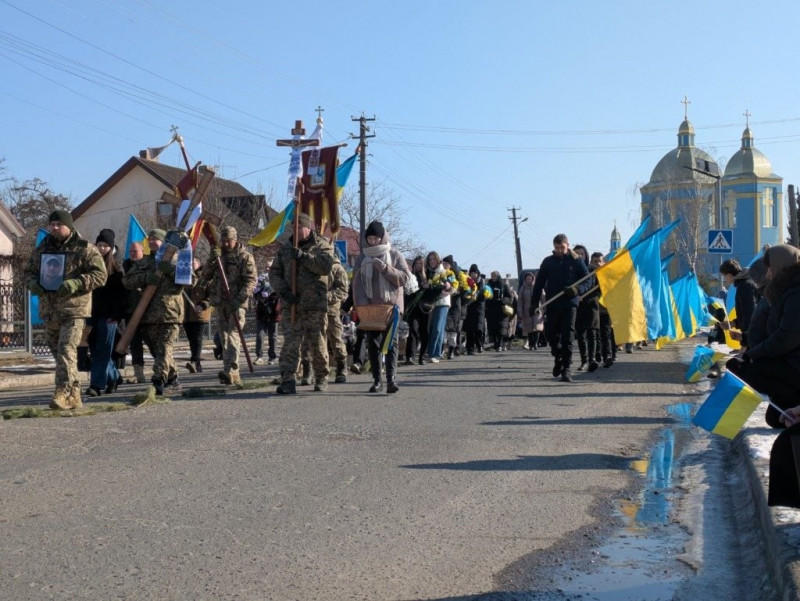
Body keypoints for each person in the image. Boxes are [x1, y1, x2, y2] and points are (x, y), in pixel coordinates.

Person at [25, 210, 107, 410]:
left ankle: (62, 392)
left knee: (66, 350)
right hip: (50, 310)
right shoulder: (42, 249)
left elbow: (100, 275)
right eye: (51, 224)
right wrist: (32, 283)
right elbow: (28, 272)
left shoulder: (85, 248)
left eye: (58, 225)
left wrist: (77, 282)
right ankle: (74, 394)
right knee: (60, 354)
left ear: (68, 226)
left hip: (74, 309)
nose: (54, 228)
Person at [726, 244, 800, 428]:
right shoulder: (785, 292)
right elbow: (771, 331)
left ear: (782, 266)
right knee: (775, 419)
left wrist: (752, 355)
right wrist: (746, 339)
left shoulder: (796, 294)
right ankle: (793, 403)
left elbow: (784, 338)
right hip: (787, 363)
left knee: (745, 371)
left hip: (794, 366)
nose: (768, 274)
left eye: (771, 268)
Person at [270, 213, 334, 394]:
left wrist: (303, 257)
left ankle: (321, 377)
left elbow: (325, 267)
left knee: (317, 343)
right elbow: (274, 272)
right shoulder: (285, 249)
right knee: (291, 342)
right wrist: (284, 292)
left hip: (314, 304)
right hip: (293, 305)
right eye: (293, 228)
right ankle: (288, 379)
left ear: (308, 227)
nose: (296, 232)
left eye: (299, 228)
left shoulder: (322, 245)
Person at [122, 228, 184, 395]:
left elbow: (190, 279)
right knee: (158, 351)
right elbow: (127, 281)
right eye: (149, 239)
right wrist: (145, 278)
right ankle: (173, 377)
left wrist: (171, 270)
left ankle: (158, 380)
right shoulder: (145, 262)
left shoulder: (177, 259)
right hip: (148, 315)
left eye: (155, 239)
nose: (151, 242)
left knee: (164, 347)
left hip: (170, 313)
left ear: (164, 242)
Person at [196, 226, 257, 386]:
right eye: (222, 240)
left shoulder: (245, 257)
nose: (225, 243)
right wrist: (211, 260)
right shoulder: (218, 256)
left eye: (228, 241)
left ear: (235, 240)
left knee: (232, 335)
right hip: (220, 302)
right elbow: (205, 276)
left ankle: (232, 370)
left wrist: (239, 299)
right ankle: (228, 371)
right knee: (223, 338)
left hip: (237, 303)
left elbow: (251, 281)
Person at [352, 220, 409, 393]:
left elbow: (404, 278)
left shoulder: (395, 254)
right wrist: (361, 304)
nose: (373, 241)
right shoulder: (362, 257)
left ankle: (391, 379)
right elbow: (357, 283)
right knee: (373, 344)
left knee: (390, 343)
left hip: (392, 308)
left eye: (376, 238)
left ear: (382, 237)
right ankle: (377, 380)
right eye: (370, 238)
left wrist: (385, 268)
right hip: (370, 309)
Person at [530, 233, 591, 383]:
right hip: (552, 304)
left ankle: (566, 369)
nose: (559, 250)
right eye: (557, 248)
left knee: (567, 336)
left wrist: (577, 290)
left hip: (569, 304)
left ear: (567, 245)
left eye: (562, 247)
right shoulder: (548, 262)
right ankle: (558, 356)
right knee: (551, 335)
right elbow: (538, 285)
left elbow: (587, 281)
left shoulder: (576, 261)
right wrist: (533, 304)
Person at [86, 229, 126, 396]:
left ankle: (95, 385)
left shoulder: (116, 268)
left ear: (111, 248)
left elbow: (121, 296)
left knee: (103, 350)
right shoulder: (89, 266)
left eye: (105, 246)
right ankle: (115, 376)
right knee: (95, 351)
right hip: (91, 315)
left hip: (109, 317)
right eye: (99, 245)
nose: (102, 248)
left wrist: (116, 316)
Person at [122, 242, 147, 383]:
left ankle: (165, 370)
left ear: (142, 251)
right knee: (135, 343)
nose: (132, 254)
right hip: (131, 310)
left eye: (135, 251)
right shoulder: (126, 266)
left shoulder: (148, 265)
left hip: (148, 310)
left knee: (152, 341)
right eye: (130, 251)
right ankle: (139, 373)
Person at [719, 258, 758, 348]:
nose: (725, 279)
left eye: (724, 276)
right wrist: (733, 323)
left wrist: (745, 342)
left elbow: (750, 315)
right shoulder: (745, 283)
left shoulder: (744, 287)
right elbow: (745, 314)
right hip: (751, 336)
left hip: (752, 338)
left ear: (729, 275)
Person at [573, 244, 600, 373]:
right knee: (581, 335)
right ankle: (583, 361)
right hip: (577, 306)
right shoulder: (572, 270)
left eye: (582, 254)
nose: (579, 256)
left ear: (586, 255)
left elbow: (597, 288)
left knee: (592, 334)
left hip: (591, 305)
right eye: (577, 253)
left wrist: (584, 297)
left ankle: (592, 360)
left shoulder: (592, 270)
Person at [423, 251, 452, 363]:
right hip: (431, 303)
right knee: (432, 327)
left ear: (438, 259)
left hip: (442, 302)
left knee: (437, 328)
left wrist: (446, 288)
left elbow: (452, 287)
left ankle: (435, 354)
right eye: (429, 259)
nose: (431, 261)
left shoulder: (444, 272)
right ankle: (432, 352)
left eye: (433, 259)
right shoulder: (429, 272)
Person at [184, 257, 211, 374]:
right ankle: (197, 362)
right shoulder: (184, 277)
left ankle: (194, 360)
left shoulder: (205, 278)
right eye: (189, 262)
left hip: (200, 314)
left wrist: (203, 305)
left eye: (193, 262)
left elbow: (211, 296)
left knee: (197, 338)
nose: (191, 264)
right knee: (191, 339)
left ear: (199, 264)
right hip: (186, 314)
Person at [327, 255, 350, 383]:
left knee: (336, 339)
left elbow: (342, 291)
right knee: (311, 342)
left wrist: (325, 296)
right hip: (313, 310)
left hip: (331, 310)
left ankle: (341, 368)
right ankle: (311, 371)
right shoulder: (313, 266)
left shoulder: (337, 269)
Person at [590, 252, 616, 368]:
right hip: (593, 310)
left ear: (603, 262)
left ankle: (608, 356)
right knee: (595, 335)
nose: (597, 264)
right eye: (595, 262)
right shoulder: (588, 276)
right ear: (591, 263)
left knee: (606, 333)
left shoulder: (607, 276)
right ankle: (597, 355)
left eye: (599, 261)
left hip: (605, 310)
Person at [404, 256, 430, 365]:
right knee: (413, 330)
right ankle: (410, 356)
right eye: (417, 263)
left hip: (425, 309)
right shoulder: (410, 276)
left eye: (421, 263)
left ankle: (422, 356)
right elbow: (407, 292)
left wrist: (427, 285)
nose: (419, 265)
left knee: (424, 332)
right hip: (413, 308)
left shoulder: (428, 276)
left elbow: (432, 292)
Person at [253, 268, 280, 366]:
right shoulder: (261, 279)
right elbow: (255, 291)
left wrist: (271, 296)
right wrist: (258, 295)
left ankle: (272, 357)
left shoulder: (277, 279)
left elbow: (280, 293)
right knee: (260, 335)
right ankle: (259, 356)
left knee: (273, 337)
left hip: (273, 314)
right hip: (262, 314)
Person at [484, 271, 512, 352]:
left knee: (501, 328)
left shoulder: (503, 285)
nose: (494, 277)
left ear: (498, 276)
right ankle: (496, 344)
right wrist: (488, 298)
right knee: (493, 328)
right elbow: (485, 295)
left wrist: (503, 300)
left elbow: (509, 297)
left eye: (495, 276)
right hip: (491, 309)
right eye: (492, 276)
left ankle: (500, 344)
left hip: (501, 310)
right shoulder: (488, 285)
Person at [442, 255, 463, 360]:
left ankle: (451, 350)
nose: (444, 265)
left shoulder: (456, 275)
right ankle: (442, 350)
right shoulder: (440, 273)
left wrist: (451, 291)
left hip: (454, 305)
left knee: (453, 328)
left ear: (450, 265)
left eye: (446, 263)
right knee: (443, 328)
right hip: (443, 303)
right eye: (443, 263)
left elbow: (460, 290)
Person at [464, 264, 487, 355]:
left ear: (477, 273)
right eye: (471, 273)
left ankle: (479, 345)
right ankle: (470, 348)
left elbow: (483, 293)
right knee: (469, 329)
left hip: (479, 307)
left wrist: (476, 294)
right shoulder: (467, 281)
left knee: (479, 328)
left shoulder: (481, 281)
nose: (473, 275)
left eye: (474, 273)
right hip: (469, 307)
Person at [518, 272, 542, 351]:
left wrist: (544, 308)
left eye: (530, 279)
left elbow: (543, 298)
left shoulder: (538, 287)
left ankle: (535, 343)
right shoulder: (523, 288)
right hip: (527, 310)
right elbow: (520, 301)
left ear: (533, 279)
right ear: (525, 280)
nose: (529, 280)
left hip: (537, 309)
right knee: (529, 328)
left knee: (537, 327)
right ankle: (531, 344)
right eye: (527, 279)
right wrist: (520, 311)